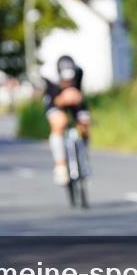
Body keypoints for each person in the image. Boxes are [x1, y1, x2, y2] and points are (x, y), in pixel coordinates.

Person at [43, 55, 91, 186]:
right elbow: (53, 100)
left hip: (75, 100)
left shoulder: (79, 72)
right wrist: (63, 99)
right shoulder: (50, 77)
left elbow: (80, 95)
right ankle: (60, 166)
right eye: (65, 79)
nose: (68, 82)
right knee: (60, 122)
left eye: (71, 79)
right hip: (55, 100)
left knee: (85, 123)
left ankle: (83, 156)